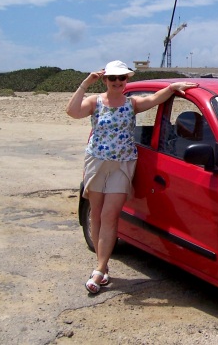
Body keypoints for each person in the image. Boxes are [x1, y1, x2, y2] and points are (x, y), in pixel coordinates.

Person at [66, 60, 198, 294]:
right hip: (96, 162)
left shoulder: (132, 103)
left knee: (109, 215)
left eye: (122, 78)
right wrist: (85, 84)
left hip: (122, 165)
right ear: (105, 80)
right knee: (95, 214)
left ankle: (99, 270)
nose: (118, 82)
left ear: (127, 80)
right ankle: (102, 266)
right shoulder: (94, 103)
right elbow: (72, 111)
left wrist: (172, 87)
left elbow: (155, 99)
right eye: (113, 78)